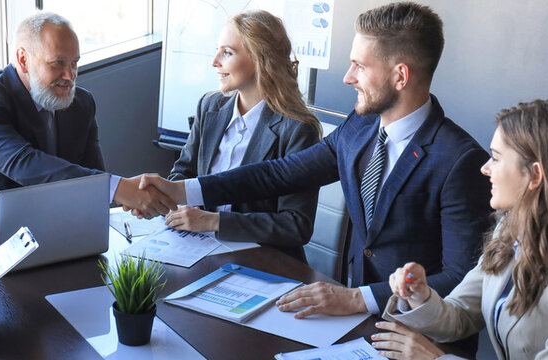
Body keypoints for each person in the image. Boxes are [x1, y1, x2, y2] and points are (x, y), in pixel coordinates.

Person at [136, 2, 492, 319]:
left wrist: (357, 298)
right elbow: (278, 174)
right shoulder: (361, 128)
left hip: (419, 333)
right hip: (356, 320)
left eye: (358, 66)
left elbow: (461, 277)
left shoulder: (460, 161)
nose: (347, 77)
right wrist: (182, 189)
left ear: (400, 76)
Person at [374, 99, 548, 359]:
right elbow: (459, 315)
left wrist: (435, 358)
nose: (485, 168)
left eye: (495, 157)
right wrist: (419, 296)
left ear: (535, 176)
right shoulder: (511, 229)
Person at [0, 12, 173, 234]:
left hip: (44, 238)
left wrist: (132, 196)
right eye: (58, 63)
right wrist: (119, 189)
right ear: (22, 60)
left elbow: (91, 178)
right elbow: (22, 163)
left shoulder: (81, 104)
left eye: (74, 63)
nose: (70, 76)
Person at [166, 10, 322, 263]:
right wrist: (185, 208)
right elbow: (182, 174)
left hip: (263, 261)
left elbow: (295, 225)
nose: (214, 61)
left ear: (259, 60)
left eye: (227, 52)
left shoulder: (297, 129)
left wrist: (212, 221)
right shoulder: (210, 107)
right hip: (200, 250)